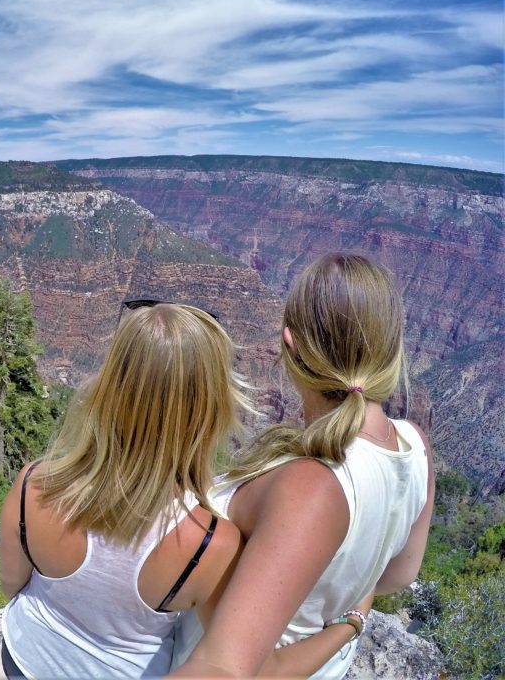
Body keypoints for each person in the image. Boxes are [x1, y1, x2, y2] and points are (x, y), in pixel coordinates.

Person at [0, 300, 373, 679]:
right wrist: (351, 623)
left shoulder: (34, 484)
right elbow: (252, 667)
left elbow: (12, 584)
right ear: (211, 411)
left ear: (108, 388)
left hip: (22, 657)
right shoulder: (210, 544)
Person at [171, 253, 435, 678]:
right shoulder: (414, 445)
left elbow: (231, 670)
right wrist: (347, 616)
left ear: (290, 346)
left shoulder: (312, 484)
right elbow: (399, 573)